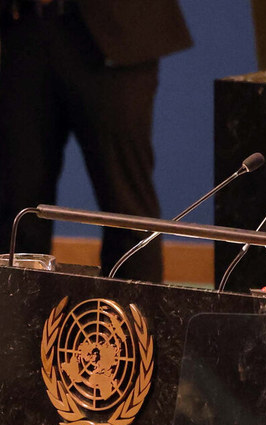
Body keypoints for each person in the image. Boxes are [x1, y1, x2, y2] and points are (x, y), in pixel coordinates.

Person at [0, 0, 192, 282]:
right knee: (16, 206)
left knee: (126, 211)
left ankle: (134, 323)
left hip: (117, 31)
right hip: (21, 29)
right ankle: (14, 322)